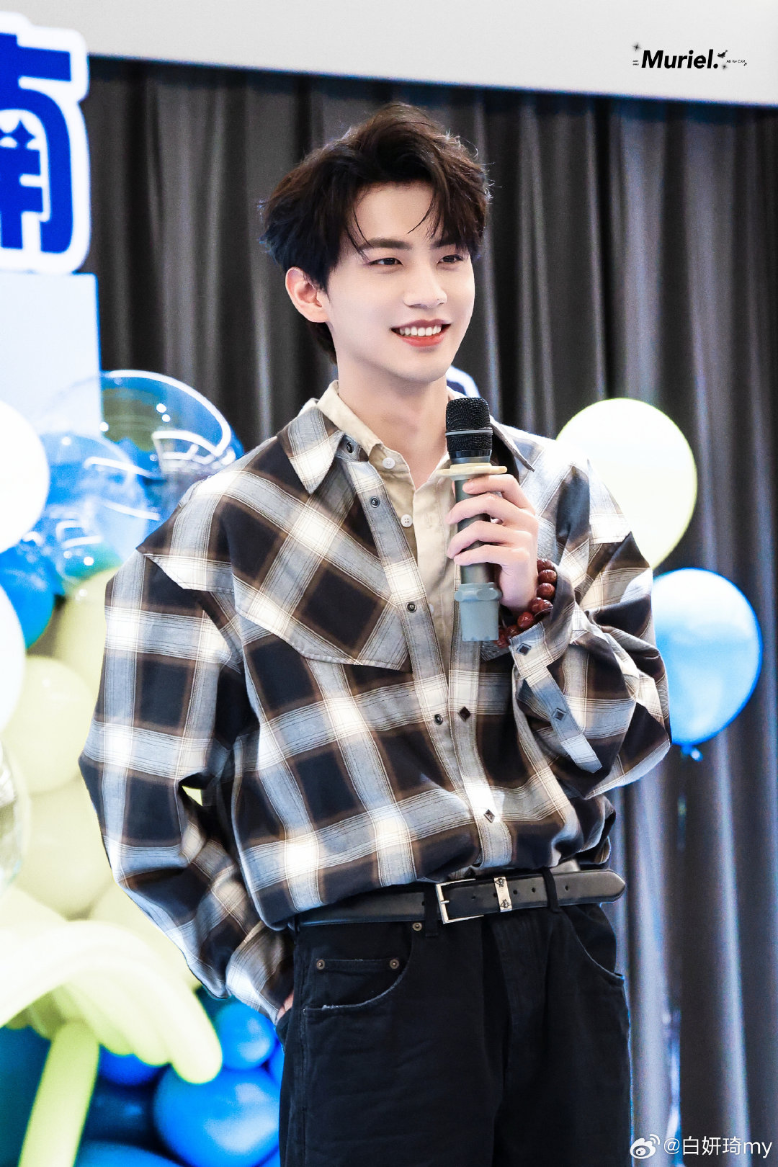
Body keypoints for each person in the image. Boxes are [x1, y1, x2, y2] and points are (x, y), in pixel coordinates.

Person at [80, 103, 671, 1167]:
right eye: (387, 261)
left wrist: (538, 608)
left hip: (565, 957)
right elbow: (141, 810)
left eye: (449, 257)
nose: (427, 291)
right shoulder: (224, 529)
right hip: (373, 980)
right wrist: (291, 978)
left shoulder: (559, 491)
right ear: (310, 291)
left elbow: (632, 739)